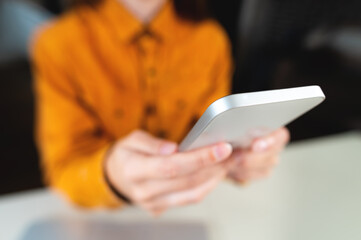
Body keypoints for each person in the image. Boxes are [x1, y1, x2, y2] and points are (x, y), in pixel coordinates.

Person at [31, 0, 290, 215]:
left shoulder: (211, 39)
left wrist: (240, 157)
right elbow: (63, 169)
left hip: (196, 213)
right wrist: (113, 175)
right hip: (96, 221)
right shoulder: (59, 44)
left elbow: (216, 137)